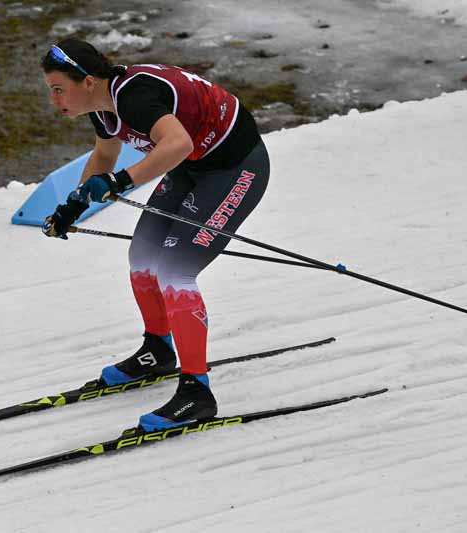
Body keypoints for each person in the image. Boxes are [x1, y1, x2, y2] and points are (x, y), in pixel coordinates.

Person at [41, 39, 270, 431]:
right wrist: (74, 204)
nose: (54, 99)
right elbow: (104, 157)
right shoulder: (104, 106)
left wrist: (121, 181)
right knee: (143, 257)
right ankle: (158, 350)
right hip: (192, 166)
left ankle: (197, 393)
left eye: (59, 89)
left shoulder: (135, 97)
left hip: (236, 168)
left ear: (89, 81)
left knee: (175, 273)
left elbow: (177, 143)